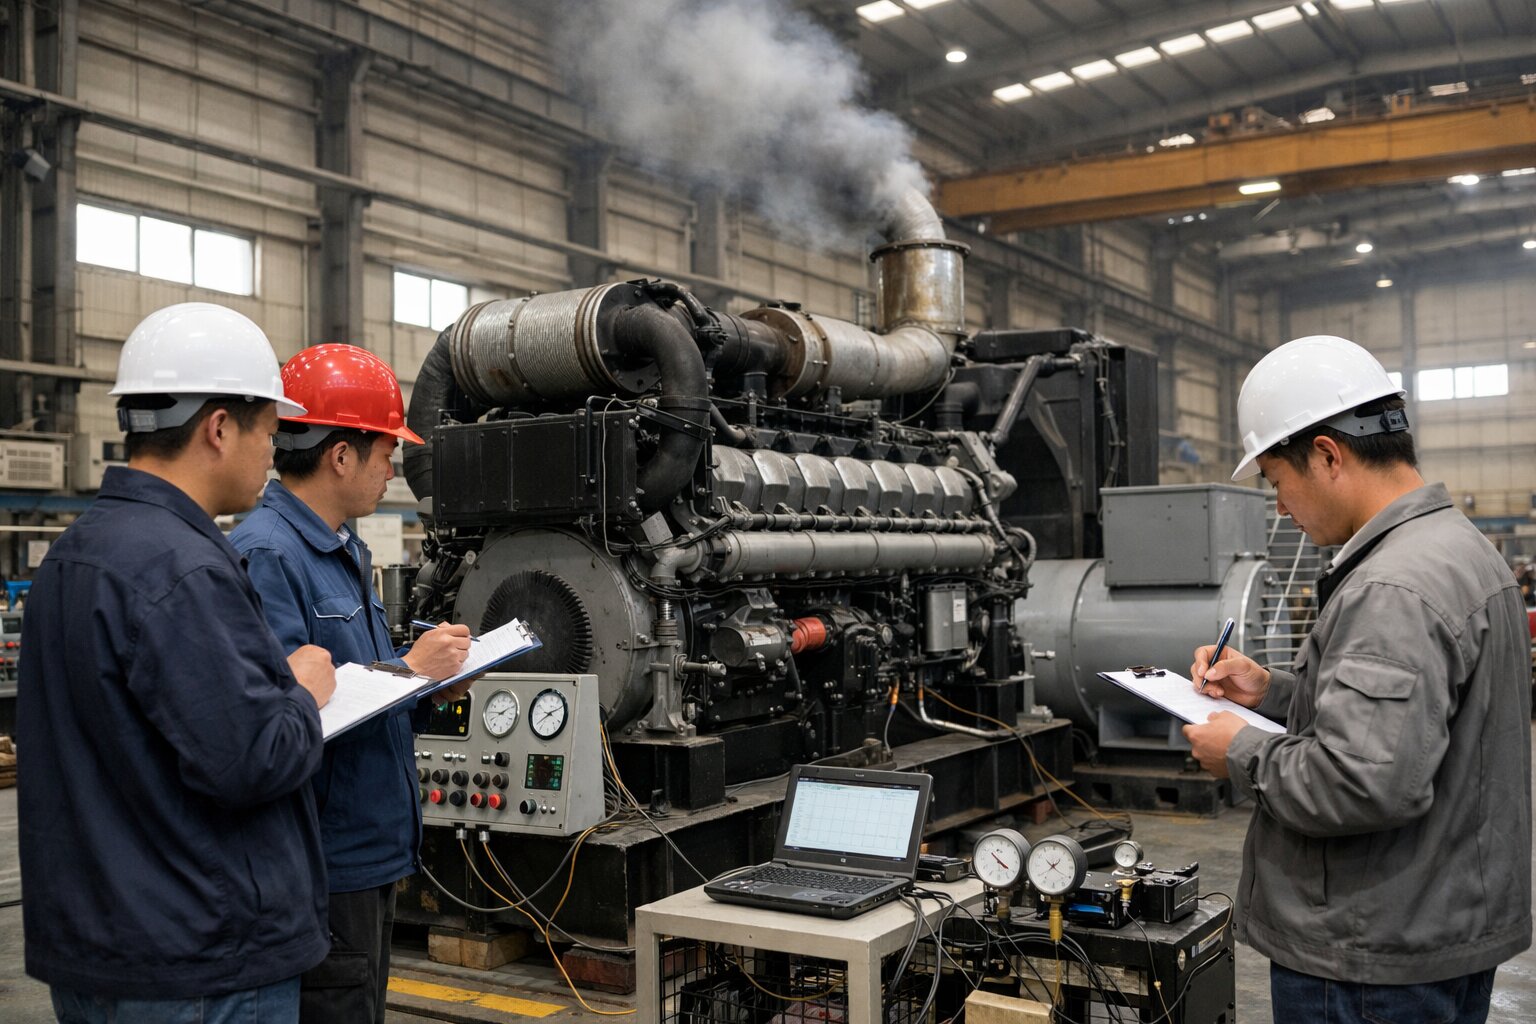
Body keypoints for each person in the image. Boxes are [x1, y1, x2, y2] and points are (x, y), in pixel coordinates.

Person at [1184, 335, 1531, 1023]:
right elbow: (1420, 726)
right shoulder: (1462, 551)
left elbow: (1362, 781)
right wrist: (1274, 692)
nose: (1282, 508)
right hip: (1443, 922)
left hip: (1368, 956)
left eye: (1279, 484)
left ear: (1327, 455)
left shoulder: (1393, 585)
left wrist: (1239, 752)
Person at [18, 303, 338, 1022]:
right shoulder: (183, 568)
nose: (272, 457)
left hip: (101, 946)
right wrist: (302, 692)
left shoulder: (74, 554)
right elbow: (251, 760)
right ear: (219, 427)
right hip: (199, 958)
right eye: (270, 432)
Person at [230, 344, 472, 1023]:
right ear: (341, 455)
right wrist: (409, 668)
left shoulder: (341, 550)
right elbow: (282, 722)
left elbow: (353, 690)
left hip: (369, 849)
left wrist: (426, 687)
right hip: (324, 860)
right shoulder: (270, 555)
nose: (392, 469)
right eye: (384, 452)